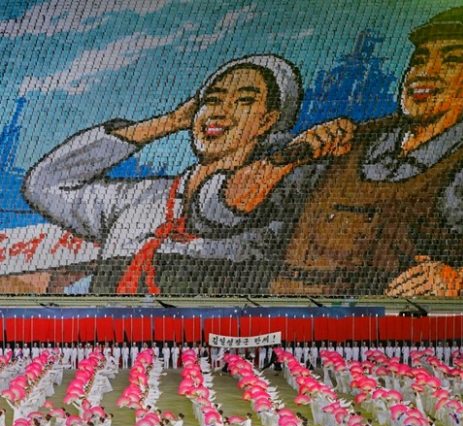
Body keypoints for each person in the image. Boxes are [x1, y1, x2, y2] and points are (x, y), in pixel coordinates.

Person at [209, 4, 463, 297]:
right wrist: (293, 155)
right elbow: (230, 208)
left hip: (383, 325)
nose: (425, 72)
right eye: (419, 60)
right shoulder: (350, 143)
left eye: (451, 60)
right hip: (288, 314)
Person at [24, 54, 307, 296]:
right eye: (212, 100)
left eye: (243, 101)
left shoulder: (266, 204)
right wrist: (169, 122)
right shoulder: (139, 198)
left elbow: (219, 203)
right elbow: (43, 185)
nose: (220, 111)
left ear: (268, 120)